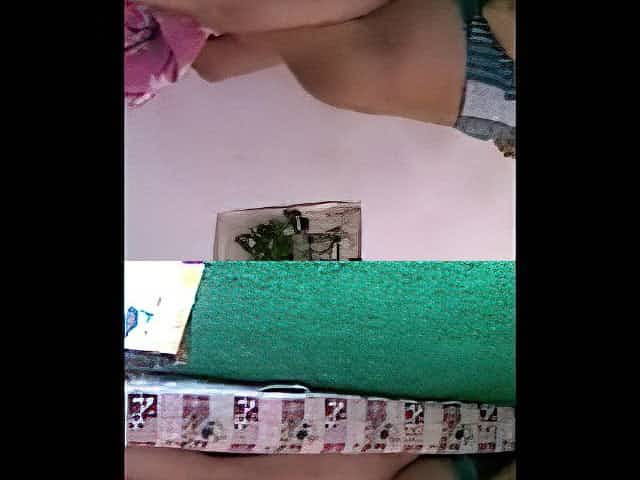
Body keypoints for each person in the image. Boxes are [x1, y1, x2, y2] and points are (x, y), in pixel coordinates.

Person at [138, 0, 515, 156]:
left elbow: (500, 13)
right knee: (220, 58)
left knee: (225, 9)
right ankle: (148, 48)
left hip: (399, 42)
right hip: (364, 78)